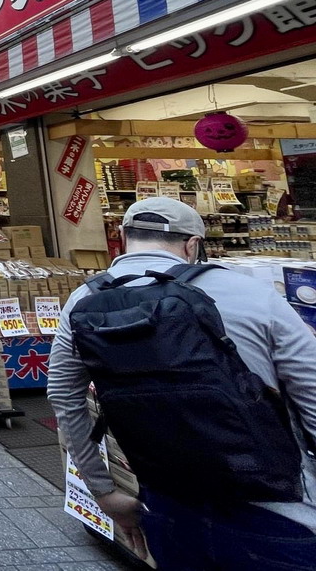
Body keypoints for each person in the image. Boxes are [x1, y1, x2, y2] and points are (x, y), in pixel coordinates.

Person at [47, 197, 316, 569]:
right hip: (278, 510)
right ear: (192, 245)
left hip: (166, 504)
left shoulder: (83, 300)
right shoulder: (251, 293)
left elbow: (64, 395)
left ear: (123, 236)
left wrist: (104, 491)